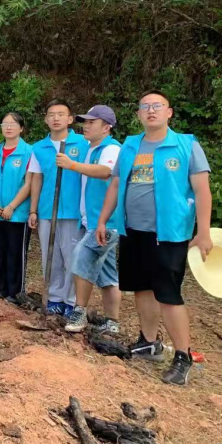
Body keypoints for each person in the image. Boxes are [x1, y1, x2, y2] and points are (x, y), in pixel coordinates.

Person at [97, 91, 212, 385]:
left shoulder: (186, 144)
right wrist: (103, 219)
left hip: (169, 234)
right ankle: (149, 342)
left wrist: (203, 232)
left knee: (168, 295)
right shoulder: (130, 145)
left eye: (157, 106)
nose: (151, 111)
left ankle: (183, 357)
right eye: (145, 106)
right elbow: (116, 184)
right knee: (141, 287)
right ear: (138, 114)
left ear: (169, 112)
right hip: (132, 230)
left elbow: (202, 190)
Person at [64, 105, 122, 334]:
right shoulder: (92, 148)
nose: (85, 126)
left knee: (81, 256)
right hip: (94, 221)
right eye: (85, 122)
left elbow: (106, 171)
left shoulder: (111, 148)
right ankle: (112, 322)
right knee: (107, 274)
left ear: (106, 127)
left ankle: (79, 312)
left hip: (105, 222)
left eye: (91, 122)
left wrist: (72, 165)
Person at [27, 100, 89, 315]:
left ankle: (71, 301)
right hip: (47, 210)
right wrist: (33, 209)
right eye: (51, 114)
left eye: (61, 114)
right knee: (50, 256)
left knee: (73, 257)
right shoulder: (39, 148)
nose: (56, 118)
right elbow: (36, 179)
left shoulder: (83, 143)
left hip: (73, 210)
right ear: (45, 119)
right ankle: (54, 298)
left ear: (70, 119)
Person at [0, 112, 33, 301]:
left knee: (15, 252)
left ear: (21, 128)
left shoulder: (28, 152)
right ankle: (0, 288)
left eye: (13, 124)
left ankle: (15, 291)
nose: (9, 127)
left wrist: (12, 206)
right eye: (5, 124)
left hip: (17, 212)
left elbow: (28, 183)